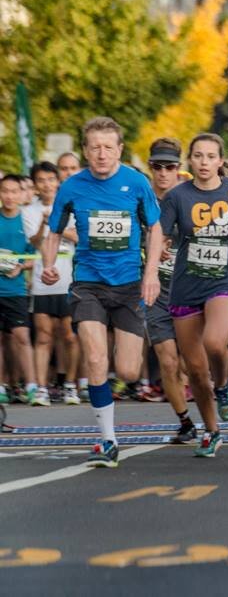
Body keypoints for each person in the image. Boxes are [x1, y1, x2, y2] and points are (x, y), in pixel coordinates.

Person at [39, 116, 166, 467]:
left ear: (120, 150)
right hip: (88, 284)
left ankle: (110, 378)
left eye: (108, 147)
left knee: (126, 370)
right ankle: (108, 441)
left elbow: (155, 229)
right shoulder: (71, 187)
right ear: (85, 150)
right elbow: (54, 231)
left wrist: (151, 273)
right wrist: (49, 264)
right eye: (95, 147)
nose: (101, 154)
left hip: (128, 285)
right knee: (95, 359)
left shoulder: (136, 183)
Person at [157, 133, 228, 457]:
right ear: (190, 161)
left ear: (220, 161)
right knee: (194, 368)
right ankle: (211, 430)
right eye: (198, 156)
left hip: (224, 281)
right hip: (186, 284)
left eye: (211, 156)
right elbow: (161, 234)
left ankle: (223, 386)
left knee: (214, 343)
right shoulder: (176, 196)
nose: (205, 162)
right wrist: (159, 252)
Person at [142, 137, 197, 442]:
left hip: (190, 287)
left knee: (192, 361)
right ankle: (185, 422)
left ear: (179, 168)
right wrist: (149, 249)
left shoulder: (190, 196)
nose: (163, 172)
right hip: (156, 290)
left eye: (170, 166)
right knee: (167, 359)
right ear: (150, 168)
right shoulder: (142, 198)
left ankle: (215, 399)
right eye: (157, 166)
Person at [24, 161, 77, 405]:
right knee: (44, 336)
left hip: (69, 280)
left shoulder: (72, 205)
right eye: (41, 180)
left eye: (50, 179)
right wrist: (44, 224)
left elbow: (78, 236)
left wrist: (57, 225)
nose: (46, 184)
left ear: (58, 181)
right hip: (42, 281)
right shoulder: (30, 211)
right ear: (35, 185)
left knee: (69, 336)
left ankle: (70, 386)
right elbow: (34, 241)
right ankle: (42, 389)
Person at [0, 174, 40, 407]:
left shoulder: (26, 221)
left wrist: (20, 267)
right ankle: (2, 386)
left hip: (16, 289)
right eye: (5, 191)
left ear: (21, 194)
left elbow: (36, 256)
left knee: (22, 336)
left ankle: (33, 385)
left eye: (14, 191)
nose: (9, 196)